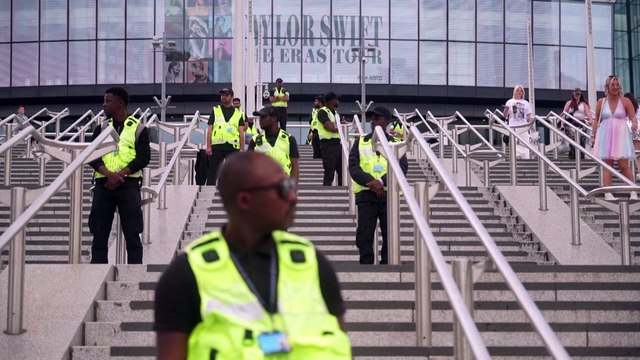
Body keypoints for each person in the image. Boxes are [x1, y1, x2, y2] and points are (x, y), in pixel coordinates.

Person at [154, 152, 352, 359]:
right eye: (283, 189)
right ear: (245, 200)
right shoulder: (185, 274)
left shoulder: (311, 262)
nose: (294, 197)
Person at [88, 87, 151, 264]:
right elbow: (91, 156)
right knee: (99, 234)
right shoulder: (100, 128)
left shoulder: (139, 128)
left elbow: (144, 157)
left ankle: (133, 274)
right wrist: (108, 174)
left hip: (129, 185)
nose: (104, 104)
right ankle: (97, 276)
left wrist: (120, 175)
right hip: (103, 185)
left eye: (108, 101)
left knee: (132, 234)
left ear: (120, 103)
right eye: (104, 100)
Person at [349, 106, 408, 265]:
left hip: (389, 195)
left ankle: (387, 264)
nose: (373, 121)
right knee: (364, 234)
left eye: (377, 118)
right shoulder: (360, 141)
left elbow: (401, 168)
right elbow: (354, 167)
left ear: (387, 121)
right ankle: (366, 264)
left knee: (390, 234)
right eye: (372, 118)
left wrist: (381, 182)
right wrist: (373, 184)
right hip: (366, 195)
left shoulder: (397, 143)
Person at [591, 76, 637, 200]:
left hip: (621, 135)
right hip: (606, 135)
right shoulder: (601, 102)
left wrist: (634, 124)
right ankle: (607, 192)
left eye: (617, 85)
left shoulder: (626, 101)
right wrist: (593, 134)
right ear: (608, 87)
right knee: (607, 165)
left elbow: (633, 116)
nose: (615, 87)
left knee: (623, 165)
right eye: (613, 85)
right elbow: (596, 119)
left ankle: (633, 190)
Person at [249, 106, 300, 183]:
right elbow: (248, 166)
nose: (260, 120)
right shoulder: (255, 140)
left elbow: (294, 166)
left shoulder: (289, 139)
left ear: (274, 118)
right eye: (260, 117)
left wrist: (293, 187)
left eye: (264, 117)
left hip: (282, 187)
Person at [206, 88, 245, 185]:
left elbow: (241, 132)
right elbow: (210, 129)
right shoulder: (215, 110)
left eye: (226, 95)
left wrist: (242, 149)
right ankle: (209, 193)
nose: (223, 97)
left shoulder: (238, 113)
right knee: (213, 173)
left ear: (232, 97)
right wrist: (208, 146)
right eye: (222, 95)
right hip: (217, 146)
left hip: (233, 147)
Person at [317, 92, 343, 186]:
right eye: (336, 99)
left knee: (342, 171)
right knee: (329, 171)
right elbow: (330, 128)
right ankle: (325, 193)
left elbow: (343, 124)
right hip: (328, 145)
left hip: (337, 144)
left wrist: (340, 128)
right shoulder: (322, 111)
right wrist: (341, 129)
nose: (338, 101)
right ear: (331, 101)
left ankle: (342, 193)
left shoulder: (335, 113)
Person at [561, 88, 593, 159]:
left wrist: (590, 120)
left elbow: (589, 113)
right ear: (573, 94)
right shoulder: (569, 103)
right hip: (571, 123)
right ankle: (573, 155)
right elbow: (564, 114)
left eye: (578, 94)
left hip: (581, 122)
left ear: (580, 95)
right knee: (572, 140)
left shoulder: (584, 104)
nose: (577, 96)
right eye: (576, 94)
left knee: (582, 140)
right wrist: (562, 124)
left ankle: (581, 156)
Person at [623, 93, 640, 182]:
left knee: (634, 153)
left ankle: (636, 172)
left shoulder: (626, 108)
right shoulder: (637, 108)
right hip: (636, 130)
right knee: (637, 153)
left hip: (631, 130)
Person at [307, 95, 323, 159]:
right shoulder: (314, 111)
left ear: (320, 102)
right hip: (315, 133)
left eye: (316, 101)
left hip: (322, 133)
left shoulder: (325, 110)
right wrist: (311, 132)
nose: (314, 103)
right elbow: (311, 122)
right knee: (315, 151)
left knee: (322, 151)